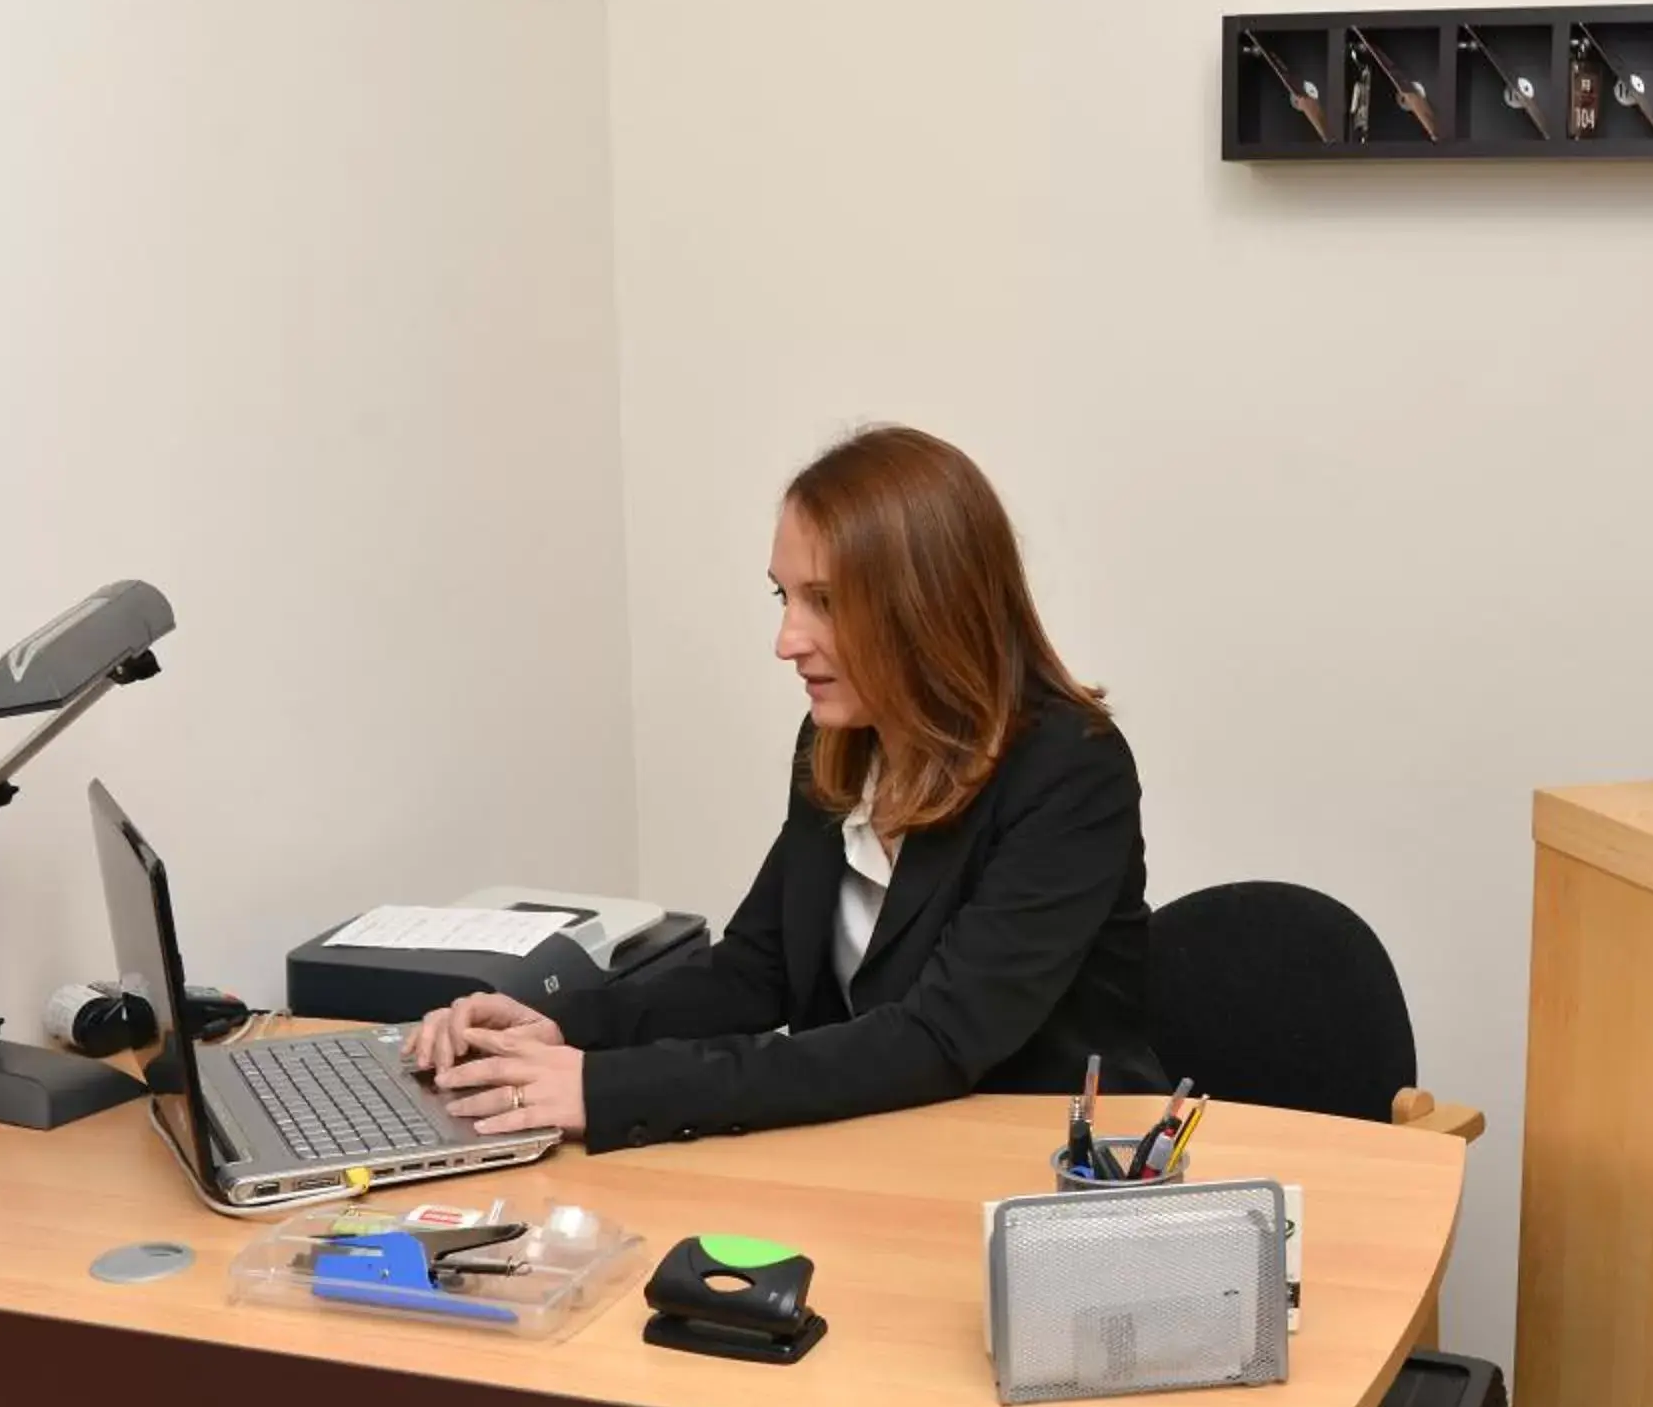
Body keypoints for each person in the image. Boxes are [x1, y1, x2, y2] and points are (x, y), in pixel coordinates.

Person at [407, 425, 1165, 1147]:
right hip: (871, 1148)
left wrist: (609, 1088)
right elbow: (756, 971)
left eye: (826, 603)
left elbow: (936, 1039)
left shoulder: (1070, 768)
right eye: (785, 598)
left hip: (1026, 1173)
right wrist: (557, 1027)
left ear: (927, 605)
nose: (787, 641)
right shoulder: (838, 741)